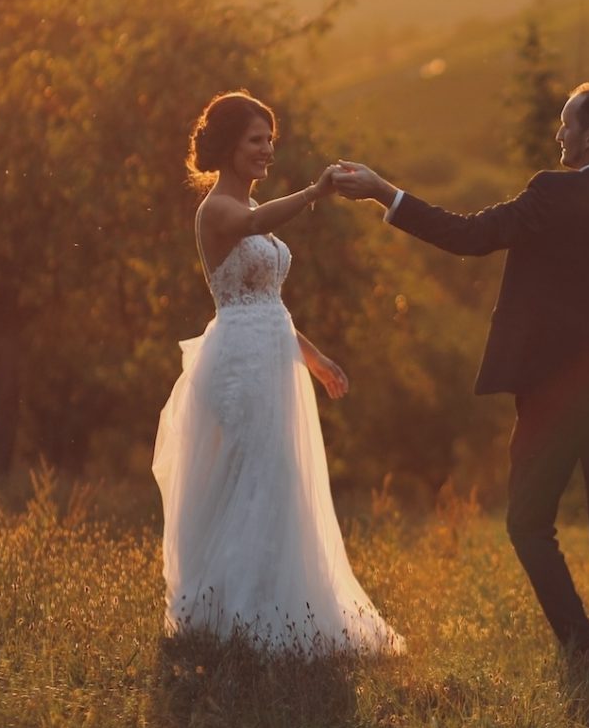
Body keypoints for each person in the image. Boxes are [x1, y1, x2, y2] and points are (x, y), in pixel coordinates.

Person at [331, 82, 589, 672]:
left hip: (552, 392)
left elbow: (468, 236)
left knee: (528, 521)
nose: (559, 133)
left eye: (567, 123)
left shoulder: (550, 192)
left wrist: (383, 191)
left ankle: (582, 645)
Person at [150, 90, 402, 655]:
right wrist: (315, 192)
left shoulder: (251, 212)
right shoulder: (218, 209)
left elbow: (270, 304)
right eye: (255, 140)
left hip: (272, 355)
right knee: (255, 476)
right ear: (228, 146)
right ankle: (235, 619)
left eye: (269, 139)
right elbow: (253, 222)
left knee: (279, 476)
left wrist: (314, 358)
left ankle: (274, 610)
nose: (266, 149)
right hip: (239, 362)